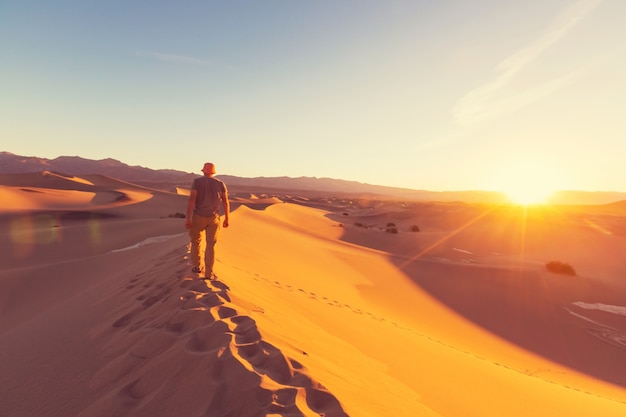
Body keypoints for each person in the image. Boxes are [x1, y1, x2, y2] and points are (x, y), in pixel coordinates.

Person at [185, 162, 229, 279]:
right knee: (211, 245)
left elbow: (192, 200)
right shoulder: (220, 184)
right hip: (214, 219)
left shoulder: (197, 182)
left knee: (195, 242)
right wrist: (227, 219)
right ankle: (209, 272)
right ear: (213, 172)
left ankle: (197, 266)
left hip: (198, 216)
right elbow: (225, 202)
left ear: (203, 171)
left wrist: (188, 218)